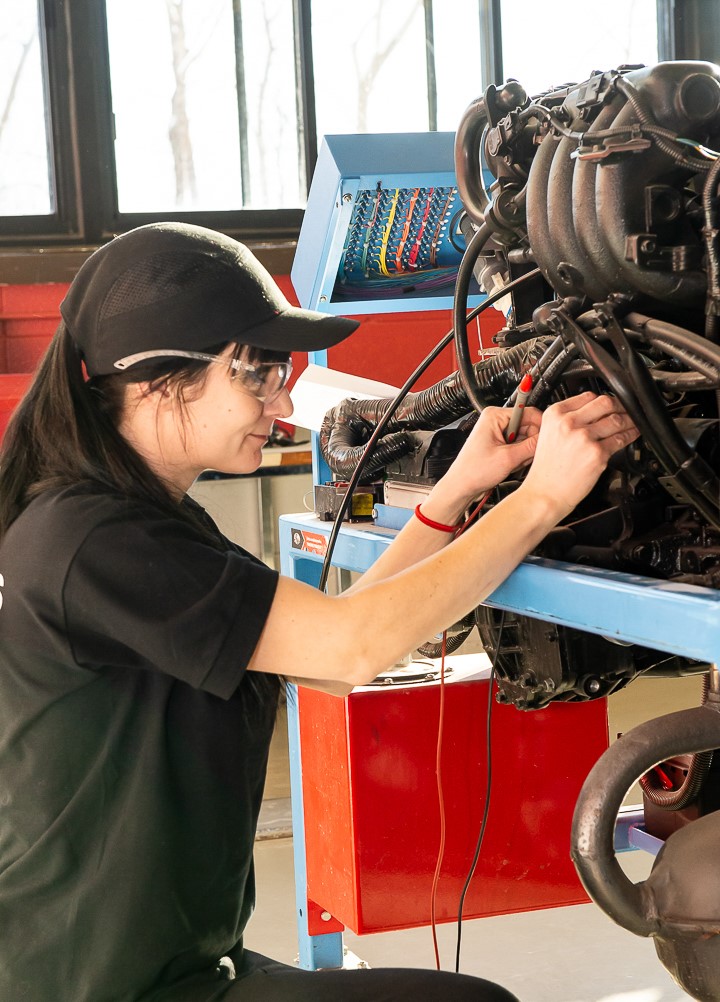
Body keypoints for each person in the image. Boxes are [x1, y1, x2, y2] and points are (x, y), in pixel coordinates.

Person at [0, 222, 639, 1002]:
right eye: (257, 372)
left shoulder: (134, 522)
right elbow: (350, 652)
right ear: (155, 380)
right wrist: (541, 499)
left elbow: (326, 648)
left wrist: (457, 491)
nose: (280, 398)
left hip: (166, 964)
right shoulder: (95, 539)